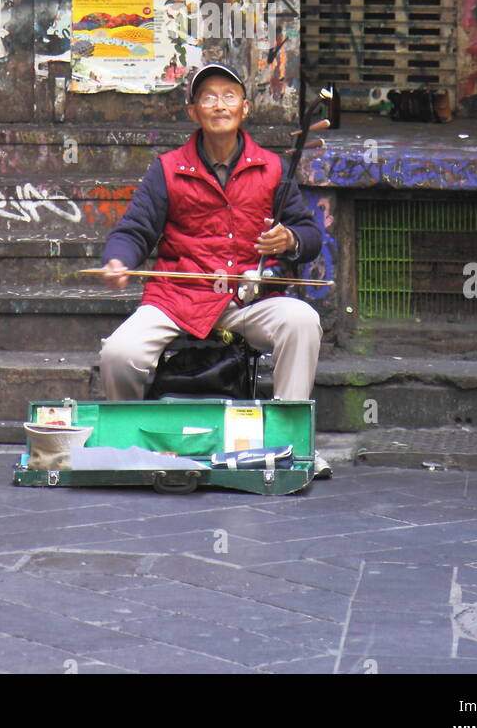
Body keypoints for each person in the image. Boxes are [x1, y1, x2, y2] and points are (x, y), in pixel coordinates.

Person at [99, 63, 329, 471]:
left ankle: (291, 444)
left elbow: (309, 235)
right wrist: (118, 261)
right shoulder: (167, 169)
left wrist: (289, 240)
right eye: (208, 97)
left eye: (228, 96)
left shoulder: (272, 168)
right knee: (121, 352)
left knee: (302, 321)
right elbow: (134, 231)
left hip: (250, 297)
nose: (219, 105)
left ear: (245, 108)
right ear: (194, 111)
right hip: (179, 297)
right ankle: (132, 444)